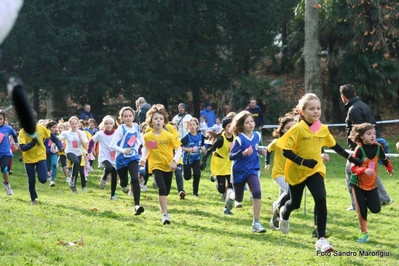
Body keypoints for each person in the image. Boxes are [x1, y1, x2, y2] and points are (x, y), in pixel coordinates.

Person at [277, 93, 362, 252]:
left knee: (321, 198)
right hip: (297, 171)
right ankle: (284, 212)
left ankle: (321, 239)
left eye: (318, 108)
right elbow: (285, 151)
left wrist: (351, 158)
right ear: (302, 112)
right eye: (311, 109)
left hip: (315, 169)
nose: (316, 111)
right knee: (294, 203)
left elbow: (334, 145)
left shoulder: (322, 128)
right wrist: (303, 161)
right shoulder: (297, 129)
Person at [340, 84, 393, 211]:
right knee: (370, 172)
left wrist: (359, 146)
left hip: (358, 149)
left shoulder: (353, 109)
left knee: (350, 172)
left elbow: (360, 129)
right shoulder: (363, 105)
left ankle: (355, 204)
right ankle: (385, 198)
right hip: (369, 147)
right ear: (354, 93)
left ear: (343, 97)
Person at [349, 123, 393, 242]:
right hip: (357, 184)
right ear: (362, 136)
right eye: (369, 134)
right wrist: (364, 170)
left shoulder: (378, 147)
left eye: (374, 133)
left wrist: (389, 168)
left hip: (372, 185)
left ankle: (366, 201)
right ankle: (364, 234)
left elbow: (384, 159)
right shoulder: (359, 149)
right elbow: (353, 169)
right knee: (361, 210)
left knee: (376, 209)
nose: (372, 136)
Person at [140, 104, 182, 225]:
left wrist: (174, 161)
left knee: (166, 191)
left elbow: (178, 149)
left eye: (160, 119)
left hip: (168, 166)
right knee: (162, 188)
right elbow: (148, 148)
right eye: (155, 118)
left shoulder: (168, 136)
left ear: (164, 122)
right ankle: (165, 215)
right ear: (151, 121)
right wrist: (143, 159)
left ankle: (162, 203)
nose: (158, 121)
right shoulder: (148, 136)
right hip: (156, 166)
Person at [228, 110, 267, 233]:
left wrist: (260, 151)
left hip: (252, 169)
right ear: (241, 126)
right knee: (238, 199)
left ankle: (256, 223)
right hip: (239, 171)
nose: (250, 124)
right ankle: (230, 195)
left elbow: (256, 148)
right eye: (247, 122)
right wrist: (244, 153)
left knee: (257, 192)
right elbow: (231, 156)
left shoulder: (257, 136)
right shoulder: (239, 139)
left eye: (252, 121)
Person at [19, 110, 63, 204]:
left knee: (43, 179)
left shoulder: (41, 129)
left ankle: (40, 171)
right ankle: (33, 198)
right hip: (28, 159)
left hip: (40, 157)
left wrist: (60, 146)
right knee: (31, 180)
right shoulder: (22, 132)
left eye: (34, 119)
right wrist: (32, 143)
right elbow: (23, 148)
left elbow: (53, 137)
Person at [110, 107, 145, 215]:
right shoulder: (121, 129)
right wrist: (123, 150)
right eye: (125, 116)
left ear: (133, 117)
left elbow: (141, 140)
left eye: (130, 116)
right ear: (122, 118)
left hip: (133, 157)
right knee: (124, 182)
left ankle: (137, 205)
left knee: (135, 179)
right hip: (121, 159)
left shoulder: (136, 127)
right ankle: (123, 184)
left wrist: (146, 148)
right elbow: (112, 145)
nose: (128, 118)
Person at [264, 116, 295, 229]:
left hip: (290, 175)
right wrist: (267, 163)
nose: (291, 130)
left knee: (283, 196)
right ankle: (278, 211)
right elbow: (268, 150)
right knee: (291, 193)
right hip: (278, 174)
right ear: (282, 129)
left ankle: (275, 219)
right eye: (288, 128)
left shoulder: (295, 142)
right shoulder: (277, 142)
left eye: (293, 127)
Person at [201, 117, 235, 214]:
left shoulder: (235, 138)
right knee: (221, 189)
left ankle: (227, 207)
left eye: (232, 126)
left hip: (229, 164)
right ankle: (216, 179)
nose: (231, 128)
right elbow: (209, 150)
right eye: (229, 126)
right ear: (224, 128)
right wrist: (204, 161)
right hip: (219, 163)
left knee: (231, 185)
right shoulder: (221, 139)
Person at [88, 115, 118, 200]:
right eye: (106, 123)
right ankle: (104, 177)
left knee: (114, 175)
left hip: (114, 156)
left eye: (110, 123)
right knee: (109, 168)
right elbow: (91, 141)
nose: (108, 125)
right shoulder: (100, 134)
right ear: (103, 125)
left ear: (113, 124)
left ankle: (112, 195)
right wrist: (89, 152)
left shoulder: (117, 133)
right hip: (104, 156)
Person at [58, 116, 89, 193]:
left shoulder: (82, 133)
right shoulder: (66, 133)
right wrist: (53, 145)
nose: (74, 125)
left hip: (79, 153)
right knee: (76, 162)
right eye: (72, 124)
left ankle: (73, 186)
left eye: (76, 124)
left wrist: (80, 137)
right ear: (69, 124)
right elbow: (58, 138)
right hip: (69, 152)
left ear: (78, 124)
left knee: (76, 169)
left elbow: (85, 146)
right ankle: (72, 180)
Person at [180, 118, 205, 197]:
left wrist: (203, 148)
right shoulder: (186, 137)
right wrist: (188, 149)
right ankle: (184, 172)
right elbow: (178, 146)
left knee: (197, 174)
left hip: (196, 158)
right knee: (187, 177)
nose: (192, 127)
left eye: (194, 125)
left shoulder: (201, 136)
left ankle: (195, 193)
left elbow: (203, 144)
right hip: (187, 158)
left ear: (197, 126)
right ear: (187, 127)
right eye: (190, 125)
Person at [0, 111, 19, 195]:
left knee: (4, 168)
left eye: (0, 119)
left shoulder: (8, 128)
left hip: (5, 152)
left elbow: (15, 135)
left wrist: (16, 143)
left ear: (3, 120)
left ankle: (7, 184)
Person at [169, 121, 185, 199]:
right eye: (172, 129)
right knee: (168, 177)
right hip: (167, 161)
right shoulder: (165, 138)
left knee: (179, 175)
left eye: (175, 129)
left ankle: (181, 191)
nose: (174, 131)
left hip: (178, 161)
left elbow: (180, 149)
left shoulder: (179, 139)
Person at [44, 120, 59, 187]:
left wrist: (58, 148)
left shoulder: (57, 136)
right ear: (49, 128)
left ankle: (52, 180)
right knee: (48, 167)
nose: (55, 129)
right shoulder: (45, 136)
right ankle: (48, 174)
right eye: (53, 127)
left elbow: (59, 143)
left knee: (54, 164)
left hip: (53, 153)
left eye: (56, 127)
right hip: (46, 153)